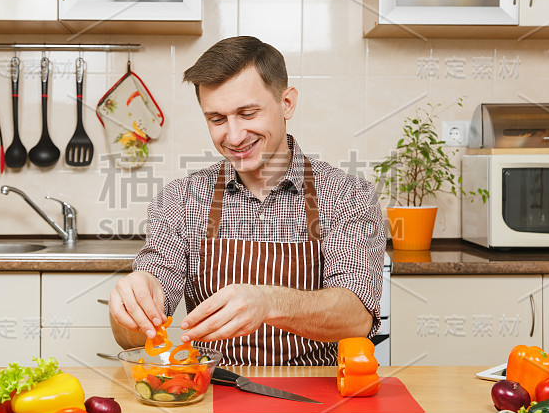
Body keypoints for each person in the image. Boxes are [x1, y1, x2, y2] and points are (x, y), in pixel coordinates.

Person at [109, 36, 385, 366]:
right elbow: (133, 338)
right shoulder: (180, 199)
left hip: (318, 395)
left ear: (287, 103)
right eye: (217, 119)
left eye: (248, 113)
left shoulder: (347, 196)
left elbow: (357, 316)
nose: (235, 136)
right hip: (212, 394)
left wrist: (267, 302)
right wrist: (130, 308)